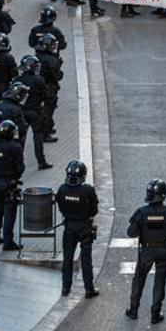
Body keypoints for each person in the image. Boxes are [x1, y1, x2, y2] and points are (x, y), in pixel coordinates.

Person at [126, 179, 166, 323]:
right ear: (164, 195)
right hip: (163, 250)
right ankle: (155, 314)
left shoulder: (141, 212)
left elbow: (131, 233)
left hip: (146, 250)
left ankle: (133, 310)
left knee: (139, 280)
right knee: (160, 282)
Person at [56, 160, 100, 298]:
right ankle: (88, 289)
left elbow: (60, 205)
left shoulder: (62, 189)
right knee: (86, 259)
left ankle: (65, 288)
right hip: (84, 228)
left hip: (69, 228)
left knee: (67, 259)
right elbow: (94, 210)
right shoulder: (87, 190)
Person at [0, 119, 25, 251]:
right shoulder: (15, 147)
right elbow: (20, 168)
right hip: (10, 184)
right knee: (9, 213)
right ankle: (8, 242)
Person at [35, 33, 64, 145]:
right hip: (49, 88)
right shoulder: (52, 60)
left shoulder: (37, 57)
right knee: (48, 111)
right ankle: (45, 134)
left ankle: (47, 127)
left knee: (42, 109)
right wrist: (59, 67)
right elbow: (58, 76)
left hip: (38, 87)